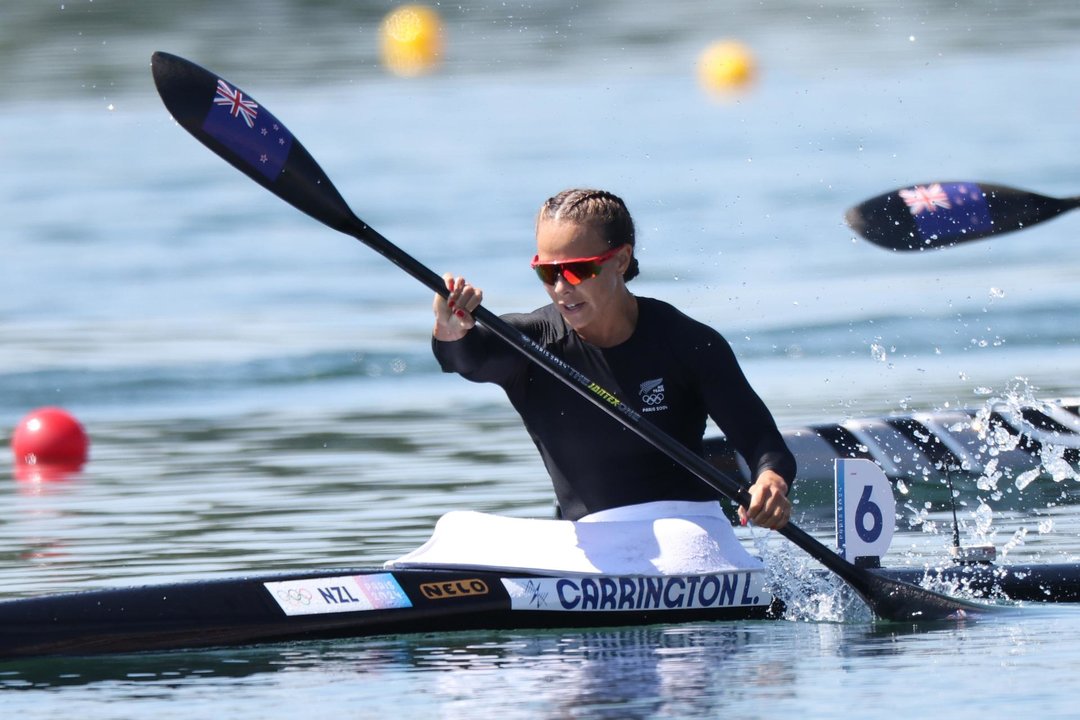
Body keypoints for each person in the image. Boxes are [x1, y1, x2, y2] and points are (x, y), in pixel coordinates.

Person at [432, 188, 796, 530]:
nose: (561, 287)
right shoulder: (533, 346)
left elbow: (761, 440)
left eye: (578, 269)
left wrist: (770, 480)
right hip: (593, 549)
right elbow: (468, 359)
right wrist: (450, 332)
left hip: (691, 534)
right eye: (547, 272)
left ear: (621, 259)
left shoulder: (687, 343)